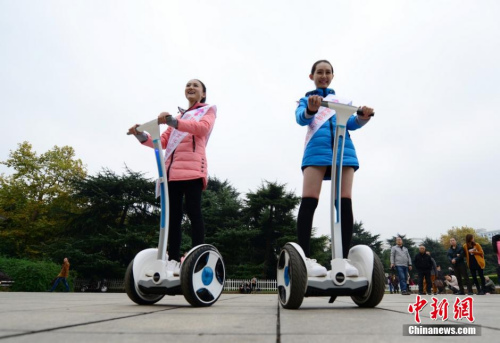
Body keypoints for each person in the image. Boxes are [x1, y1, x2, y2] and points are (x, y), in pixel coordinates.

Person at [294, 60, 374, 277]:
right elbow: (301, 118)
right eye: (319, 72)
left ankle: (343, 259)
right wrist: (311, 108)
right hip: (316, 152)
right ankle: (306, 258)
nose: (324, 75)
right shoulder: (306, 99)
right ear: (312, 76)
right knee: (309, 200)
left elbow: (351, 123)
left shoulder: (341, 101)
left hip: (344, 152)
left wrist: (362, 116)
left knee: (344, 201)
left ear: (332, 76)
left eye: (328, 72)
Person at [128, 79, 216, 276]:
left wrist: (174, 122)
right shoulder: (177, 117)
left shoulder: (208, 111)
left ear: (203, 94)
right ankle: (174, 260)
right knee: (173, 217)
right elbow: (163, 142)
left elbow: (202, 128)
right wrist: (140, 135)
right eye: (187, 85)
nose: (190, 87)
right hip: (172, 174)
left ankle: (197, 257)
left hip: (193, 170)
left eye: (195, 85)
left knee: (194, 212)